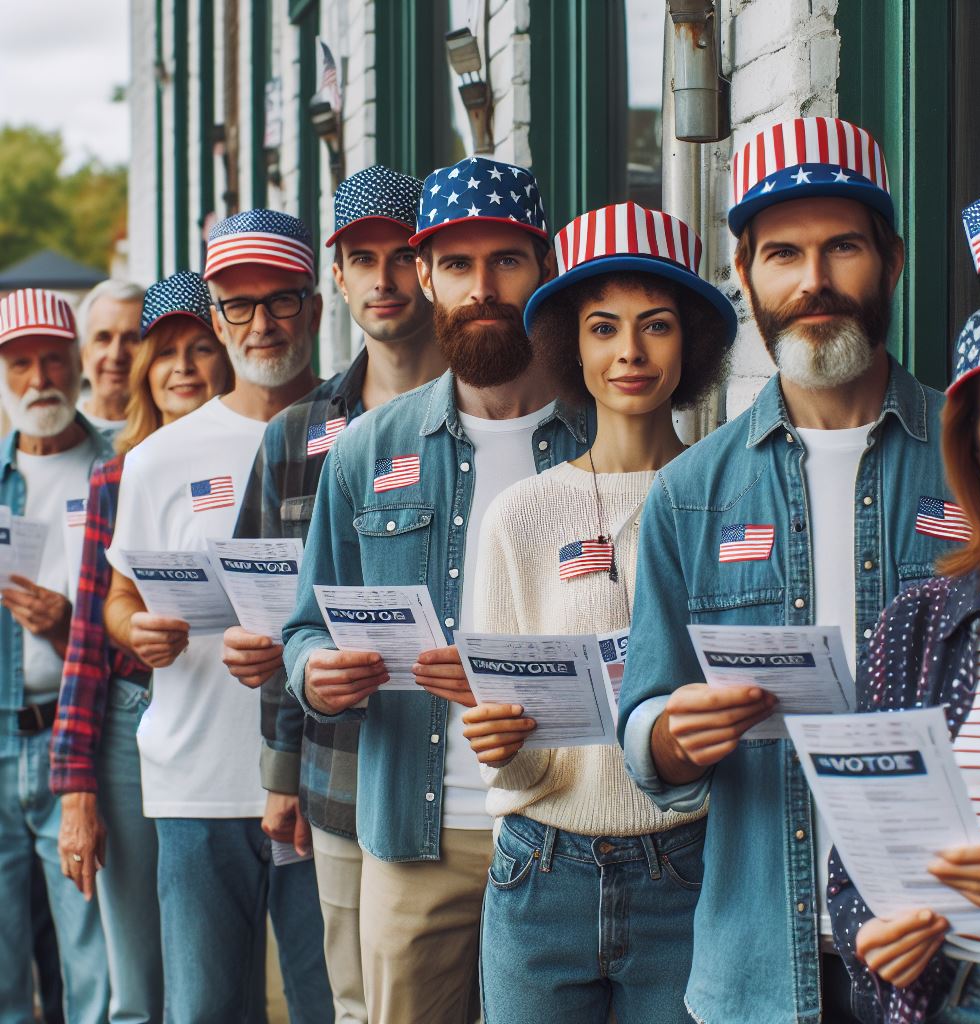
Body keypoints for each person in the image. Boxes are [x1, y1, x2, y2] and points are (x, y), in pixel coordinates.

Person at [617, 116, 959, 1024]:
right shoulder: (689, 492)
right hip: (764, 967)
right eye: (782, 254)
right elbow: (642, 714)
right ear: (746, 276)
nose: (813, 282)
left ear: (890, 259)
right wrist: (668, 736)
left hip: (958, 950)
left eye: (841, 247)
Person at [283, 156, 594, 1024]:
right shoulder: (367, 449)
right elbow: (305, 627)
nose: (482, 286)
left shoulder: (606, 437)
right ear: (424, 276)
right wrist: (318, 675)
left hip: (572, 824)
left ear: (546, 268)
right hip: (418, 835)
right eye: (458, 265)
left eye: (507, 261)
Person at [459, 202, 735, 1020]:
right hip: (540, 874)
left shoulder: (727, 502)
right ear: (569, 346)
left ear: (691, 344)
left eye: (655, 326)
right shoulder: (520, 515)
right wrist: (502, 746)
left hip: (689, 872)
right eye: (603, 327)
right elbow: (508, 729)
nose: (628, 353)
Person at [224, 165, 444, 1022]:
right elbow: (278, 615)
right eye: (363, 260)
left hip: (476, 763)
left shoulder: (493, 414)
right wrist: (281, 770)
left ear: (426, 268)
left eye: (401, 257)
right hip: (344, 767)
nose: (384, 281)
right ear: (339, 276)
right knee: (355, 1003)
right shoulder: (294, 437)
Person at [103, 211, 332, 1023]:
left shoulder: (360, 431)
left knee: (331, 1006)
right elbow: (123, 592)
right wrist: (136, 629)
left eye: (281, 300)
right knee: (203, 1010)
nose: (261, 323)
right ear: (216, 314)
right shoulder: (161, 456)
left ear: (313, 304)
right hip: (197, 774)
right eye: (239, 305)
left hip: (329, 773)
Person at [829, 294, 980, 1023]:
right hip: (955, 999)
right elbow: (855, 868)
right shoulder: (914, 627)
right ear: (973, 442)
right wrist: (874, 935)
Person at [50, 271, 232, 1022]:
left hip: (233, 719)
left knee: (216, 965)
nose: (182, 368)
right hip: (130, 721)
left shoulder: (262, 452)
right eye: (165, 353)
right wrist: (76, 788)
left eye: (198, 349)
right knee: (138, 983)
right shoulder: (115, 475)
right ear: (143, 374)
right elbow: (89, 637)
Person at [0, 288, 110, 1023]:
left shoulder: (118, 465)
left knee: (93, 962)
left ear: (78, 366)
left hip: (81, 740)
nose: (38, 378)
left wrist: (71, 627)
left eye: (52, 360)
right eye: (19, 365)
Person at [75, 280, 145, 436]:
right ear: (84, 352)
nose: (116, 355)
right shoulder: (62, 432)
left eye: (132, 339)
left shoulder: (167, 431)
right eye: (103, 338)